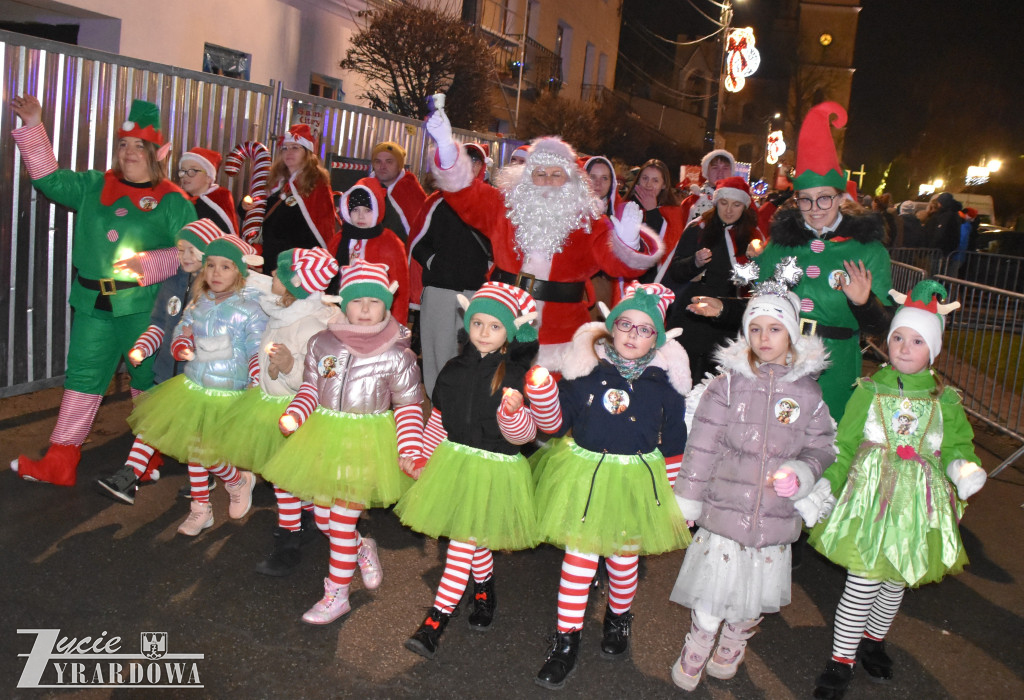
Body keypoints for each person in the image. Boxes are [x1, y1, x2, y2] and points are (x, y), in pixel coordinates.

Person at [808, 280, 987, 700]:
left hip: (917, 507)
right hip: (870, 502)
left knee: (894, 582)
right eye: (898, 338)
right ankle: (841, 659)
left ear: (934, 350)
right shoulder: (869, 390)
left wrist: (962, 468)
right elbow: (846, 444)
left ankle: (874, 639)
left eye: (917, 341)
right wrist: (824, 487)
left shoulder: (946, 399)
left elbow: (956, 445)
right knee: (863, 581)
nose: (905, 347)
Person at [10, 96, 196, 486]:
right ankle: (61, 459)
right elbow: (49, 180)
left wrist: (152, 263)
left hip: (142, 307)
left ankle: (147, 456)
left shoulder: (173, 201)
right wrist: (33, 125)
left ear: (155, 152)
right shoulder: (95, 185)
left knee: (146, 379)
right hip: (92, 303)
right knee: (82, 378)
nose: (129, 152)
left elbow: (194, 254)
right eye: (123, 144)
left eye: (138, 146)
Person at [669, 274, 836, 692]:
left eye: (775, 329)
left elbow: (822, 447)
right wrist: (688, 500)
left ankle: (733, 641)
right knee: (711, 591)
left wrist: (802, 474)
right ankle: (700, 640)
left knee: (752, 593)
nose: (764, 337)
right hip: (724, 510)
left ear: (792, 335)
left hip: (773, 518)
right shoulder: (727, 386)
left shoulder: (809, 393)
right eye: (755, 328)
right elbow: (703, 446)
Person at [531, 282, 692, 690]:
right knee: (578, 563)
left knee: (623, 565)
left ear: (658, 338)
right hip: (585, 479)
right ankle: (565, 640)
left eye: (645, 329)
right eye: (625, 324)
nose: (633, 335)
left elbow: (674, 446)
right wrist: (543, 393)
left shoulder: (665, 389)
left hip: (637, 483)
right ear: (610, 328)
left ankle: (619, 618)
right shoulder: (586, 375)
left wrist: (670, 500)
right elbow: (553, 425)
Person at [689, 102, 893, 421]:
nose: (815, 207)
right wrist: (724, 307)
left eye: (824, 197)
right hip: (779, 359)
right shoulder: (782, 244)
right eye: (806, 199)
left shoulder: (869, 251)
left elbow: (882, 327)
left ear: (841, 198)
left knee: (828, 447)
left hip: (835, 367)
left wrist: (864, 302)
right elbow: (763, 305)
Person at [424, 101, 663, 370]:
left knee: (551, 405)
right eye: (540, 173)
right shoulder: (505, 206)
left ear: (571, 180)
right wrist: (446, 146)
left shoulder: (588, 220)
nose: (548, 180)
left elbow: (617, 264)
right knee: (495, 399)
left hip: (559, 334)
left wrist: (629, 241)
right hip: (502, 320)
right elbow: (465, 194)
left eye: (556, 174)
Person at [261, 260, 424, 624]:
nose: (365, 310)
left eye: (375, 302)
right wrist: (295, 415)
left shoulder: (398, 354)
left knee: (339, 519)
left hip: (367, 444)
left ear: (387, 306)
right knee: (324, 519)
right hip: (324, 436)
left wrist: (410, 449)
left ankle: (336, 594)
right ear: (343, 303)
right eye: (356, 301)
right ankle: (362, 547)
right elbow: (310, 389)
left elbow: (409, 406)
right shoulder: (323, 343)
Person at [397, 282, 544, 659]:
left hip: (496, 469)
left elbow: (526, 435)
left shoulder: (515, 375)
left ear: (510, 333)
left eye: (494, 327)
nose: (483, 332)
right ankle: (484, 589)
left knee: (461, 543)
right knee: (471, 536)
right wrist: (423, 457)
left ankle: (436, 620)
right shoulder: (453, 368)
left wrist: (514, 414)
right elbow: (439, 420)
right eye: (477, 322)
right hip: (456, 461)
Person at [208, 247, 339, 576]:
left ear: (296, 285)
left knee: (283, 477)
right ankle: (303, 517)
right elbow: (265, 351)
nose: (274, 277)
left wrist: (289, 365)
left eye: (280, 274)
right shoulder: (281, 313)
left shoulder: (309, 325)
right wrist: (259, 370)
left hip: (295, 410)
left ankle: (289, 539)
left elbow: (315, 379)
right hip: (269, 403)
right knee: (283, 474)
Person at [125, 235, 268, 535]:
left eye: (226, 267)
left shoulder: (250, 310)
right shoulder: (199, 303)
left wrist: (256, 380)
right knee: (194, 449)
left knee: (208, 453)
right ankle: (200, 509)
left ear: (240, 272)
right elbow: (181, 331)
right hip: (193, 386)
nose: (216, 273)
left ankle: (236, 480)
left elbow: (256, 349)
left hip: (229, 392)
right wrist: (181, 345)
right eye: (211, 266)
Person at [95, 219, 226, 503]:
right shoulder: (171, 283)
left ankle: (213, 480)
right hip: (168, 375)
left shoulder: (218, 294)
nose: (186, 257)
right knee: (151, 425)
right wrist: (142, 348)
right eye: (181, 250)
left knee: (197, 438)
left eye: (195, 250)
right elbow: (158, 325)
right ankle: (128, 478)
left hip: (200, 378)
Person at [408, 143, 494, 396]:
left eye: (475, 161)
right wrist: (435, 262)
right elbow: (416, 242)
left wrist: (489, 269)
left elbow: (502, 242)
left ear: (482, 166)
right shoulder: (437, 201)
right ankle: (437, 405)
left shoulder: (490, 200)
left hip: (477, 293)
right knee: (437, 352)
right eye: (464, 160)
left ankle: (466, 408)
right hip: (440, 291)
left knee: (476, 351)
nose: (470, 165)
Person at [669, 177, 766, 380]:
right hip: (692, 315)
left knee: (719, 381)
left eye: (736, 204)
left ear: (744, 207)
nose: (729, 210)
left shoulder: (753, 236)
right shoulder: (698, 228)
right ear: (716, 202)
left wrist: (756, 262)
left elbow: (760, 286)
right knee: (684, 375)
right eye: (724, 203)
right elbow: (675, 272)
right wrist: (694, 262)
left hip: (728, 320)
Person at [259, 124, 338, 275]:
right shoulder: (277, 181)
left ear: (307, 153)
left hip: (296, 265)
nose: (289, 152)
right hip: (270, 259)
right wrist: (246, 208)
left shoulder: (317, 184)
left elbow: (320, 228)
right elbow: (262, 215)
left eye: (295, 147)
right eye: (285, 148)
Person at [335, 182, 410, 325]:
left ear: (377, 209)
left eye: (367, 210)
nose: (361, 216)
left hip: (375, 317)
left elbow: (401, 291)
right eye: (356, 210)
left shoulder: (391, 243)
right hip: (342, 313)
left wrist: (397, 326)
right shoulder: (339, 239)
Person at [357, 141, 426, 243]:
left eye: (389, 162)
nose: (383, 166)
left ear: (399, 165)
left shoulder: (412, 191)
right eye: (378, 161)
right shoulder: (364, 189)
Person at [178, 147, 239, 234]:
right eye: (183, 170)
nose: (185, 175)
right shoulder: (179, 199)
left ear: (209, 178)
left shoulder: (218, 200)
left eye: (193, 171)